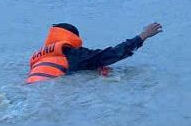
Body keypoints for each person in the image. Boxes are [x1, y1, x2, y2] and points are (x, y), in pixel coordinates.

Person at [26, 22, 163, 83]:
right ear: (73, 39)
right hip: (51, 91)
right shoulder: (74, 54)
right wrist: (143, 36)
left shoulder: (38, 59)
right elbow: (112, 54)